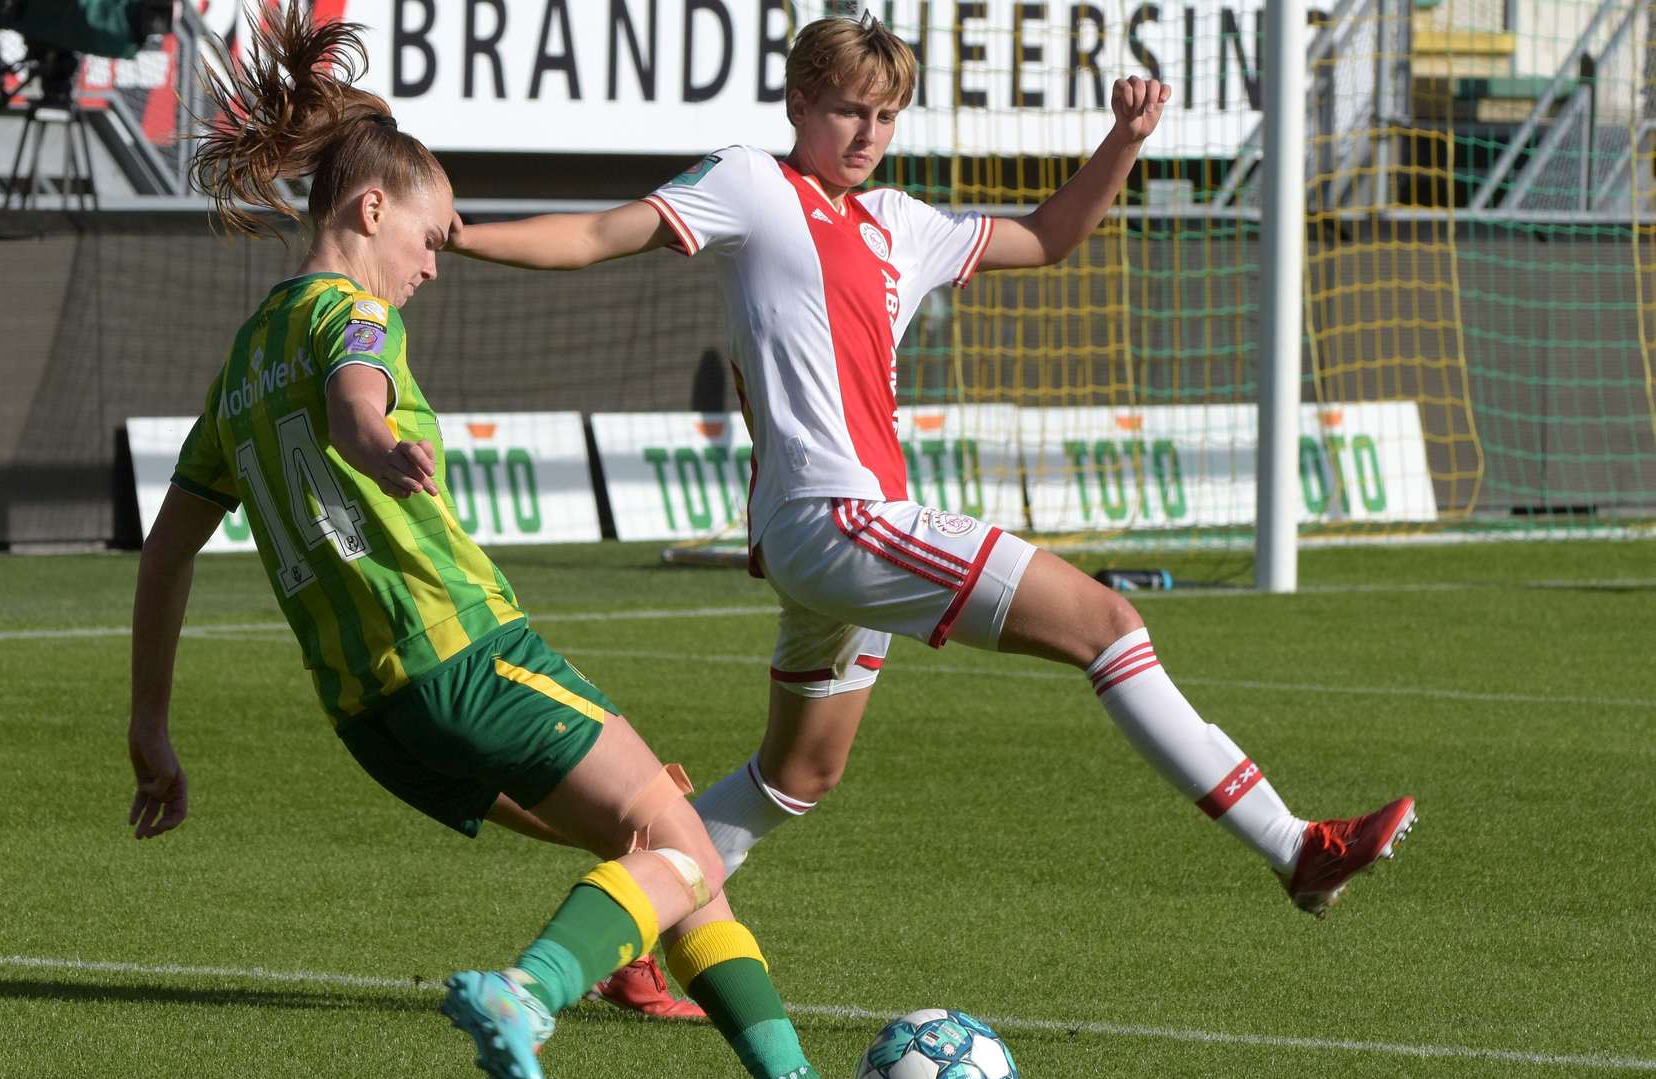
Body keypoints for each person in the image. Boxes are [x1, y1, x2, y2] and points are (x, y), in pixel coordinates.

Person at [447, 15, 1415, 918]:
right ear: (796, 103)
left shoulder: (900, 223)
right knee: (1109, 626)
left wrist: (1123, 141)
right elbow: (597, 234)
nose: (866, 131)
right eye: (846, 109)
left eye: (884, 114)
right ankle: (1295, 845)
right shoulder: (748, 182)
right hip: (839, 518)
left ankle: (630, 935)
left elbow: (1047, 236)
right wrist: (460, 235)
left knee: (797, 776)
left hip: (828, 538)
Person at [124, 8, 862, 1079]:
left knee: (659, 852)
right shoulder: (349, 314)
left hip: (372, 716)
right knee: (684, 844)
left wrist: (151, 726)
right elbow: (357, 394)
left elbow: (167, 553)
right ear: (372, 210)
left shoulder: (242, 358)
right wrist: (374, 445)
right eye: (428, 234)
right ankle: (530, 989)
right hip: (464, 652)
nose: (433, 260)